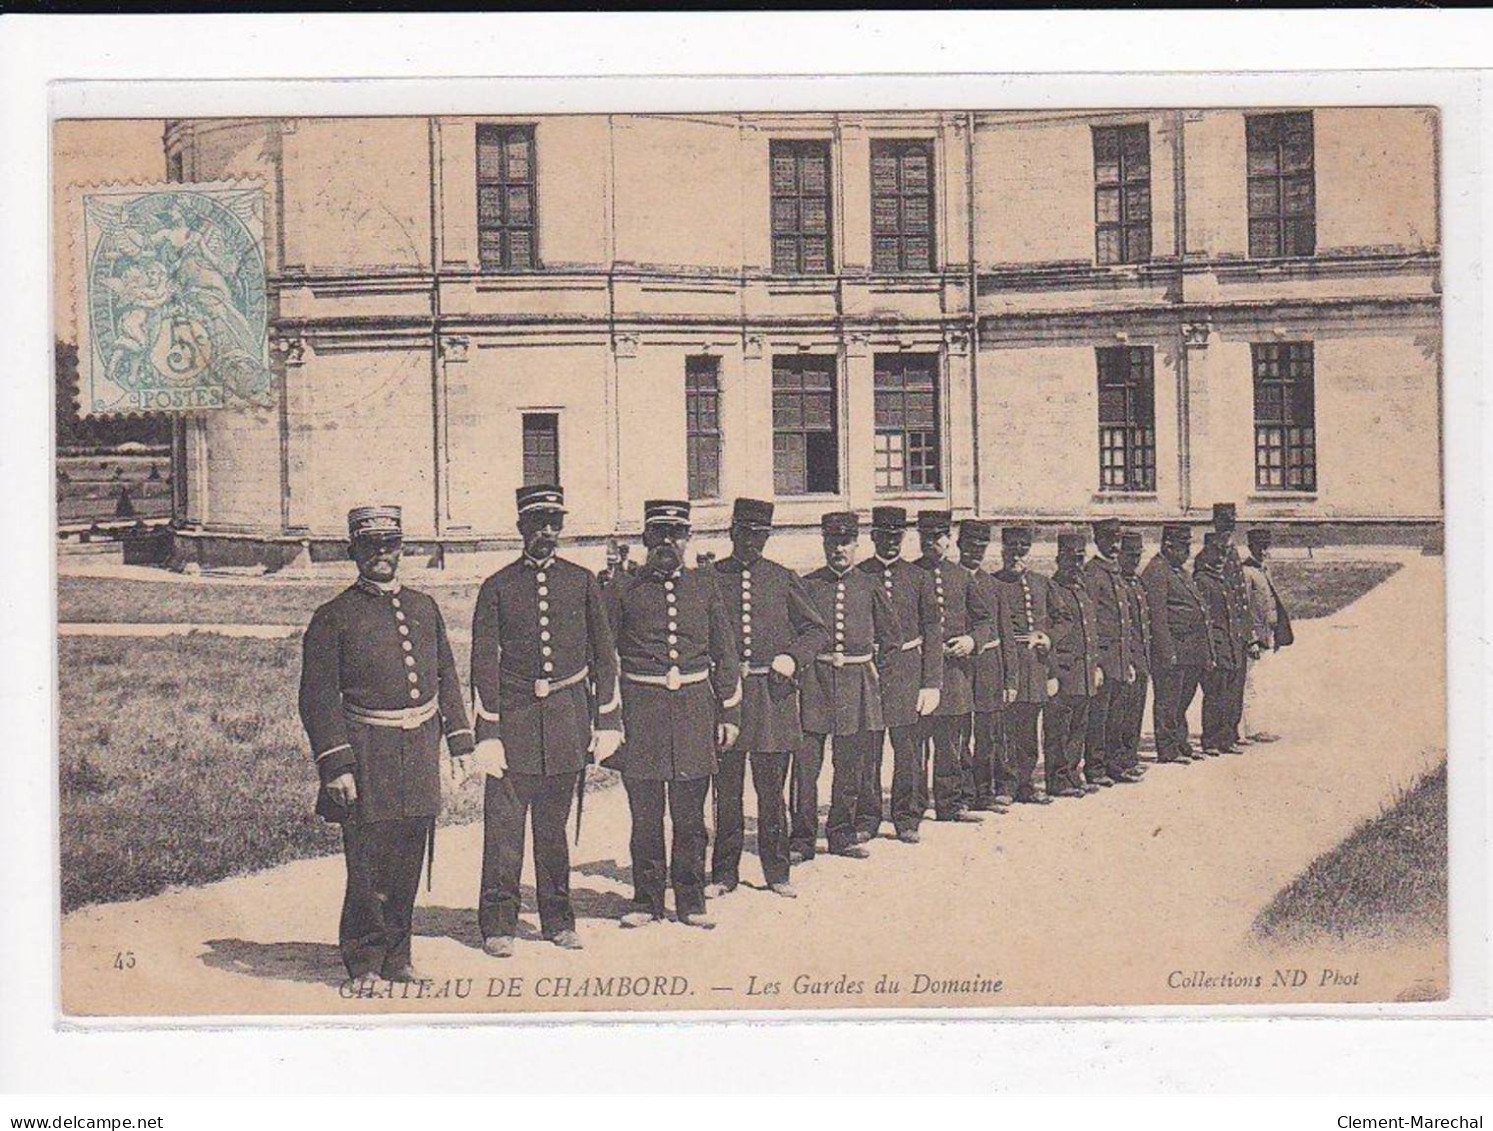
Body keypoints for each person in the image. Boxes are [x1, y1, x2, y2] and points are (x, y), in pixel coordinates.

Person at [298, 505, 474, 986]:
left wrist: (460, 742)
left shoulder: (423, 607)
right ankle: (364, 962)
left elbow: (446, 676)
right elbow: (317, 698)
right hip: (367, 752)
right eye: (371, 547)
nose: (381, 555)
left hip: (418, 750)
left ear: (401, 550)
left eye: (389, 546)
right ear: (354, 551)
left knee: (408, 860)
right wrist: (337, 765)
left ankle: (399, 958)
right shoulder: (333, 617)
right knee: (368, 864)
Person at [469, 485, 624, 958]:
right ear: (521, 528)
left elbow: (604, 656)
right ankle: (498, 923)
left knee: (554, 830)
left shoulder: (582, 583)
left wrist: (608, 722)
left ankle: (558, 919)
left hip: (565, 721)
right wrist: (488, 733)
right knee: (504, 831)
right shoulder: (496, 586)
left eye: (554, 523)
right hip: (513, 722)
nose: (547, 532)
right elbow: (482, 662)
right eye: (538, 524)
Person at [607, 500, 741, 930]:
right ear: (646, 539)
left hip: (694, 714)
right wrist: (609, 720)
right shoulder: (624, 588)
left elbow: (725, 653)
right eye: (658, 534)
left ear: (687, 540)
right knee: (645, 815)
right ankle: (646, 899)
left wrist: (729, 712)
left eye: (676, 534)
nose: (667, 542)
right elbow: (605, 655)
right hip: (642, 716)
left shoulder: (705, 588)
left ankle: (690, 899)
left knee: (689, 815)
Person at [709, 498, 828, 899]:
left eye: (760, 536)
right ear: (732, 533)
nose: (752, 543)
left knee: (771, 791)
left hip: (771, 699)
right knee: (726, 790)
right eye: (745, 534)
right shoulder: (710, 578)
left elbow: (816, 631)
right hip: (727, 698)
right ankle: (723, 873)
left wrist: (792, 658)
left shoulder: (782, 578)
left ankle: (777, 872)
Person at [793, 512, 900, 862]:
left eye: (845, 542)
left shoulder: (869, 585)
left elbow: (891, 639)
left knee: (849, 765)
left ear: (857, 544)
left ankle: (841, 833)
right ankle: (802, 839)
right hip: (816, 685)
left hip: (857, 685)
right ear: (824, 544)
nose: (838, 549)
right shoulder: (807, 585)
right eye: (832, 542)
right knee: (806, 768)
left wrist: (870, 672)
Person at [855, 506, 943, 845]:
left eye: (896, 537)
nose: (890, 543)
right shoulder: (861, 574)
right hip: (869, 670)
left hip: (908, 670)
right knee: (868, 750)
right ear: (873, 537)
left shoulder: (918, 577)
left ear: (903, 539)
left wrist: (931, 682)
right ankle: (867, 817)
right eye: (884, 536)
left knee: (907, 750)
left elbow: (932, 629)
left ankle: (907, 817)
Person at [913, 510, 995, 823]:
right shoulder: (909, 574)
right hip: (918, 673)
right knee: (916, 746)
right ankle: (914, 806)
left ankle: (950, 804)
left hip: (955, 673)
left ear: (949, 540)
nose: (931, 543)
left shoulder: (962, 577)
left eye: (937, 537)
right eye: (925, 537)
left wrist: (972, 641)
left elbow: (984, 621)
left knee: (950, 743)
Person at [1141, 523, 1216, 764]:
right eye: (1183, 547)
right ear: (1168, 546)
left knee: (1182, 700)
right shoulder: (1156, 571)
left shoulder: (1179, 570)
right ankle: (1167, 749)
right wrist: (1167, 651)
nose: (1188, 552)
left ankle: (1181, 743)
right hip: (1173, 649)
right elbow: (1158, 616)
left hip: (1190, 649)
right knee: (1168, 701)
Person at [992, 525, 1056, 804]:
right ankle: (1006, 785)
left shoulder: (1042, 583)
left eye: (1022, 549)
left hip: (1034, 665)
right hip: (1006, 663)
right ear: (1002, 550)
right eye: (1011, 548)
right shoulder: (993, 582)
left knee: (1029, 726)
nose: (1016, 554)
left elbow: (1062, 618)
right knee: (1006, 728)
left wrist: (1047, 637)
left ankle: (1026, 784)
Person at [1045, 530, 1103, 799]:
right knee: (1059, 729)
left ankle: (1073, 775)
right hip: (1064, 672)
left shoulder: (1081, 590)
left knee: (1079, 726)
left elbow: (1092, 632)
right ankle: (1058, 780)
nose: (1076, 565)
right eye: (1070, 559)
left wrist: (1097, 666)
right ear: (1059, 559)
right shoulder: (1052, 589)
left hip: (1084, 671)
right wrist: (1052, 673)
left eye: (1080, 559)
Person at [957, 519, 1009, 813]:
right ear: (959, 545)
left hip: (989, 664)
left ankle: (985, 793)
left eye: (980, 548)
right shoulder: (950, 580)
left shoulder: (994, 586)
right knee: (961, 731)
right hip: (961, 666)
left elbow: (1004, 635)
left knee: (988, 732)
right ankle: (963, 794)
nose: (975, 553)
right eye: (969, 547)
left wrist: (1009, 677)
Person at [1081, 517, 1135, 788]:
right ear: (1097, 540)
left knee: (1117, 715)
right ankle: (1095, 767)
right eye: (1109, 540)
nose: (1115, 545)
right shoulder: (1092, 572)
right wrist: (1096, 664)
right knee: (1099, 717)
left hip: (1119, 657)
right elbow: (1091, 621)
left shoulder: (1113, 571)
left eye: (1118, 540)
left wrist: (1128, 660)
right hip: (1103, 658)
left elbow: (1123, 621)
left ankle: (1114, 764)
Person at [1195, 531, 1247, 755]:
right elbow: (1203, 620)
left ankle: (1226, 738)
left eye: (1223, 554)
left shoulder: (1222, 580)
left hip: (1230, 644)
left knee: (1229, 692)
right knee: (1215, 693)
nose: (1220, 559)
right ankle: (1211, 740)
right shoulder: (1202, 581)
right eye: (1215, 554)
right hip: (1216, 645)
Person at [1240, 526, 1292, 743]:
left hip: (1268, 635)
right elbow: (1244, 608)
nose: (1263, 551)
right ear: (1250, 547)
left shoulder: (1264, 569)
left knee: (1262, 683)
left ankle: (1257, 726)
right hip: (1255, 639)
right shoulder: (1246, 572)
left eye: (1265, 547)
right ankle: (1251, 729)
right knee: (1251, 684)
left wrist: (1277, 634)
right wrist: (1250, 638)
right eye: (1259, 547)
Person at [1109, 530, 1152, 782]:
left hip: (1140, 656)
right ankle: (1117, 763)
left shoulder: (1136, 582)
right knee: (1120, 713)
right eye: (1130, 555)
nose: (1134, 560)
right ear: (1120, 555)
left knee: (1135, 711)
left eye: (1138, 555)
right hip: (1125, 658)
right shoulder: (1119, 583)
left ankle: (1129, 758)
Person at [1211, 503, 1253, 749]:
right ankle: (1220, 737)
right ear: (1216, 521)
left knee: (1236, 687)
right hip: (1223, 632)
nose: (1229, 524)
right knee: (1222, 689)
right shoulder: (1214, 551)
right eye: (1225, 520)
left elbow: (1241, 596)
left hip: (1238, 632)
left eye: (1232, 519)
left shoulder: (1233, 550)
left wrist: (1248, 632)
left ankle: (1232, 732)